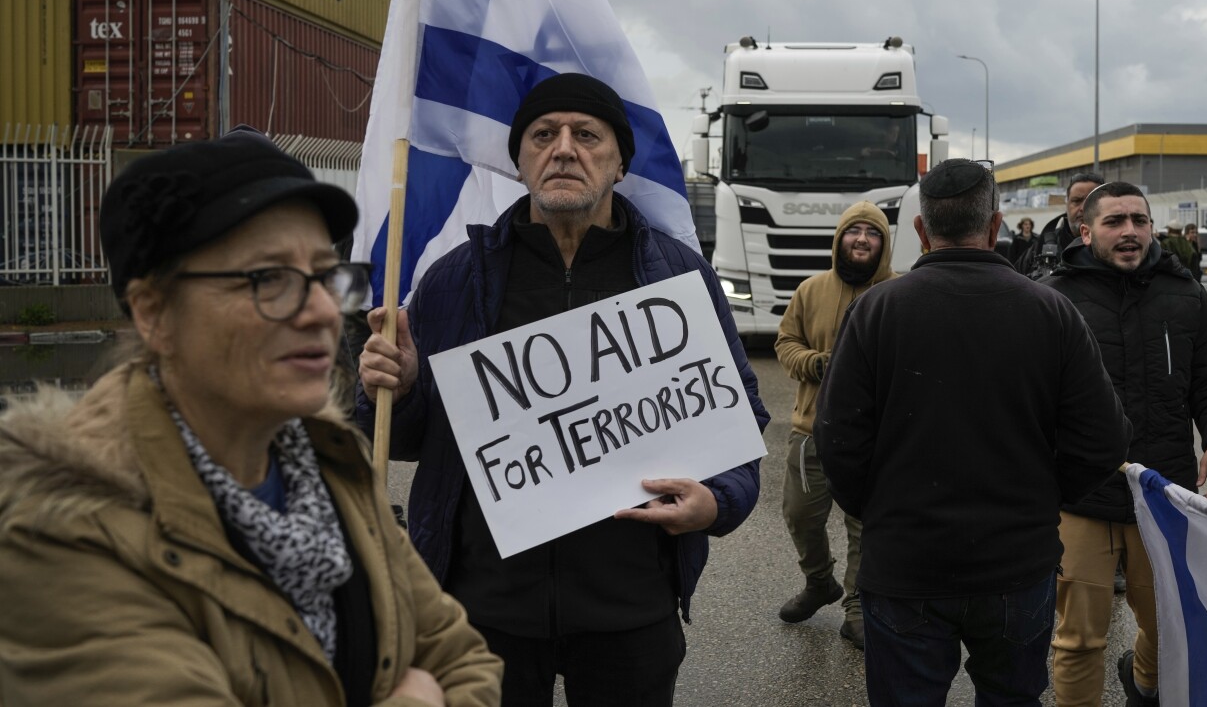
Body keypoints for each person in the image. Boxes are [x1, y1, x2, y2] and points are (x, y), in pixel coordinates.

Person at [0, 128, 503, 705]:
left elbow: (462, 655)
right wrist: (415, 696)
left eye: (325, 276)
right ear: (153, 313)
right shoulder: (65, 534)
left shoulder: (329, 463)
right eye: (268, 279)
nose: (322, 312)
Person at [357, 73, 768, 706]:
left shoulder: (678, 277)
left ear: (620, 161)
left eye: (588, 135)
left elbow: (738, 414)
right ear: (519, 162)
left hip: (630, 612)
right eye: (544, 135)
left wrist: (718, 503)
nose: (565, 149)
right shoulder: (451, 281)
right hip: (484, 613)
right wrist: (402, 388)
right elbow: (407, 440)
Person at [813, 159, 1129, 706]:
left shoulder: (875, 311)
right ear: (995, 226)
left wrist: (881, 508)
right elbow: (1105, 438)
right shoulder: (1051, 311)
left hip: (904, 564)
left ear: (920, 230)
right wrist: (1043, 500)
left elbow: (836, 439)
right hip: (1016, 565)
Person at [1043, 182, 1207, 707]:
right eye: (1115, 221)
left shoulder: (1184, 295)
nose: (1130, 231)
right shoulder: (1053, 298)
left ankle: (1143, 684)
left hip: (1162, 493)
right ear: (1085, 231)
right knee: (1078, 638)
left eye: (1139, 219)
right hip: (1080, 497)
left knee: (1169, 628)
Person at [774, 201, 894, 650]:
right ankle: (819, 582)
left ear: (884, 243)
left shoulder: (901, 291)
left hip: (877, 438)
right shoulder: (810, 290)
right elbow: (786, 341)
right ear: (839, 238)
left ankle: (857, 608)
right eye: (853, 230)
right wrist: (816, 364)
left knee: (865, 526)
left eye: (872, 232)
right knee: (800, 515)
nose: (861, 239)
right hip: (812, 430)